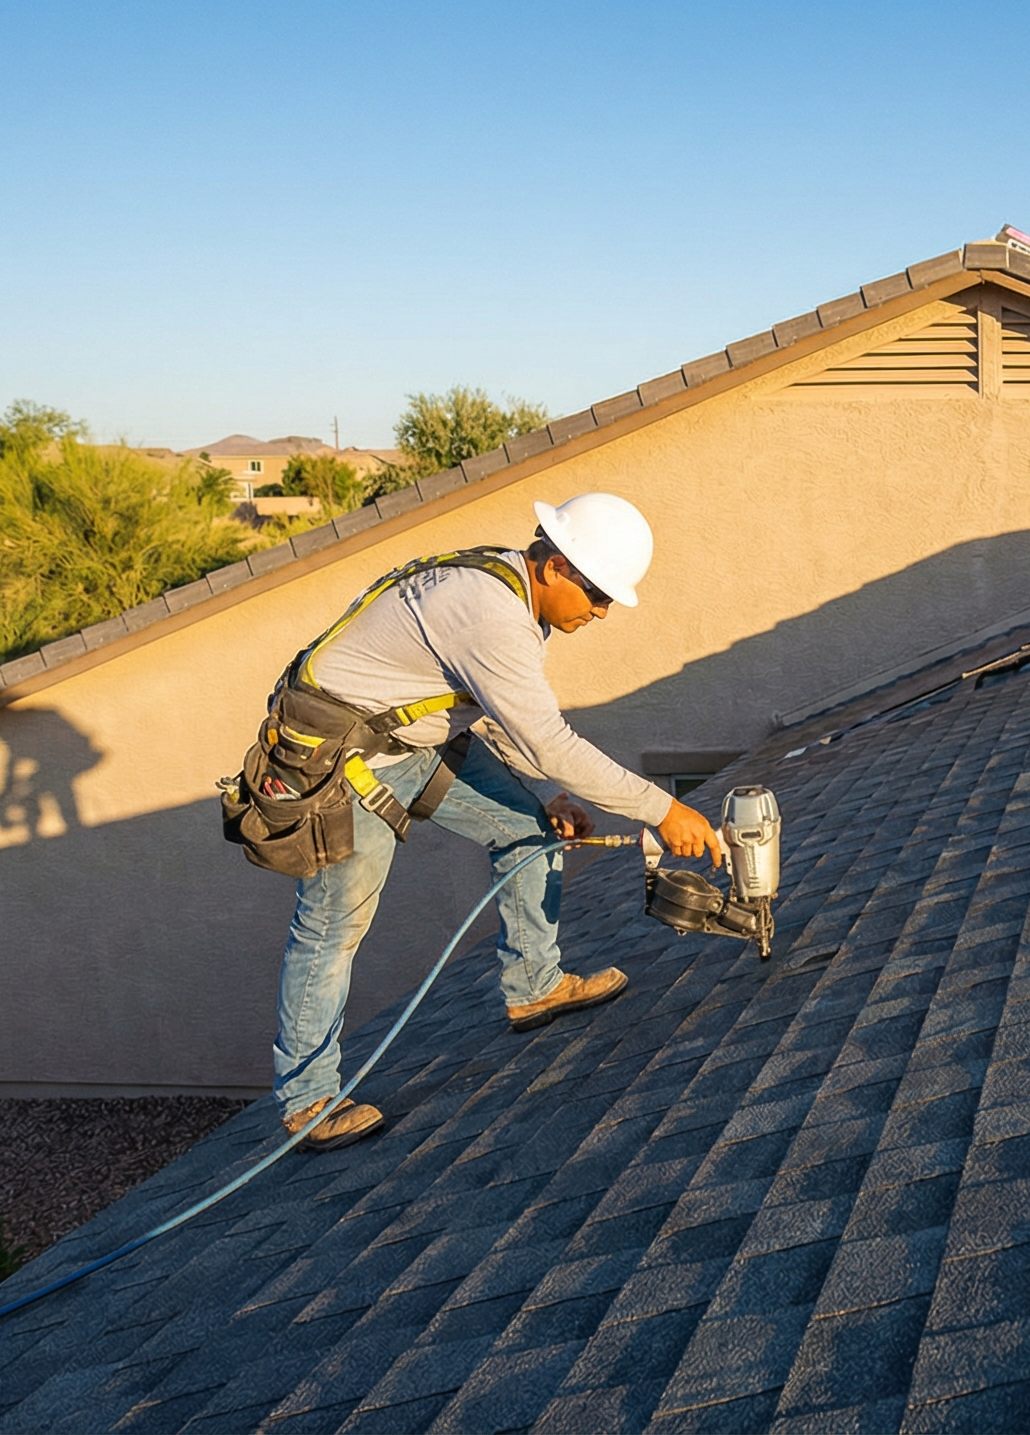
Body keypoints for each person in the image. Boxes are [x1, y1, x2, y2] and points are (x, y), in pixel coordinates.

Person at [267, 492, 723, 1151]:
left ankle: (534, 986)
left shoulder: (514, 594)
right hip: (342, 755)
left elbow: (490, 711)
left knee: (530, 828)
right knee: (333, 927)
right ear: (555, 566)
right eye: (597, 595)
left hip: (410, 738)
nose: (601, 612)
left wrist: (544, 791)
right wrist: (665, 808)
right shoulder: (491, 613)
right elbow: (549, 740)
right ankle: (308, 1104)